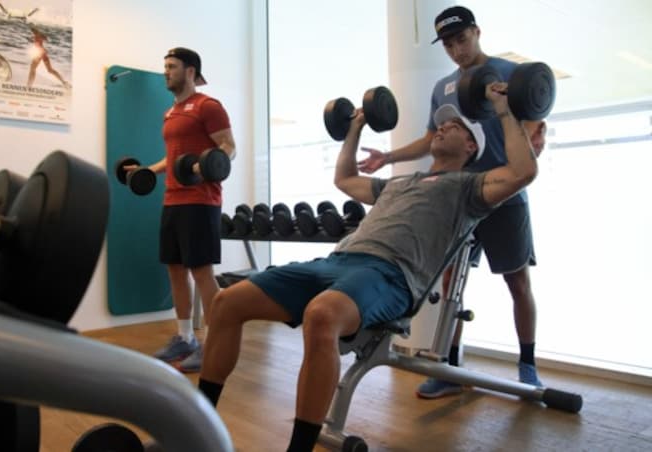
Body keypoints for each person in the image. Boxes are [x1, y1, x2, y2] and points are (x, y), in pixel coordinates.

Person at [198, 80, 545, 451]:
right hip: (336, 261)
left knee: (322, 315)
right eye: (442, 124)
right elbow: (345, 179)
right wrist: (354, 129)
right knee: (226, 302)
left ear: (471, 145)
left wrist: (504, 108)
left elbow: (522, 172)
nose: (442, 127)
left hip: (390, 275)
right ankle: (196, 430)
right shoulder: (399, 183)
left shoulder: (470, 188)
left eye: (454, 126)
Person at [357, 5, 547, 397]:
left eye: (461, 39)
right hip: (460, 197)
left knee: (517, 281)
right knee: (451, 280)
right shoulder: (443, 87)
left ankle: (527, 365)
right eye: (448, 44)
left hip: (504, 194)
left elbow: (534, 130)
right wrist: (388, 158)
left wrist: (526, 157)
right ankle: (449, 367)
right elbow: (431, 139)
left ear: (477, 32)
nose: (457, 50)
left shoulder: (510, 74)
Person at [135, 47, 236, 373]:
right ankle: (184, 338)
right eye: (164, 66)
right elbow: (176, 158)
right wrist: (150, 170)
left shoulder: (208, 106)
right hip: (172, 199)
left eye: (172, 66)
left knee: (201, 272)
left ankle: (214, 343)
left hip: (200, 200)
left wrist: (205, 170)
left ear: (190, 71)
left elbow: (228, 149)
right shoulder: (171, 113)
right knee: (175, 269)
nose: (166, 72)